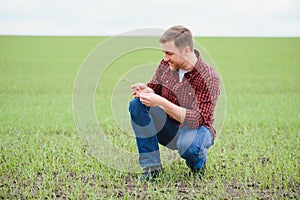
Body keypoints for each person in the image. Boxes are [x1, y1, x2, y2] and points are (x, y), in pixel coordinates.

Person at [129, 25, 220, 181]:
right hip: (169, 128)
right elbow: (155, 87)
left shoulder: (209, 76)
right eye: (164, 53)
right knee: (137, 104)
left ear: (186, 50)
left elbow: (200, 119)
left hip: (196, 130)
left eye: (169, 53)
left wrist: (162, 102)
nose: (165, 58)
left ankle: (198, 166)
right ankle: (152, 169)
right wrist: (147, 91)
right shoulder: (166, 65)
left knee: (189, 147)